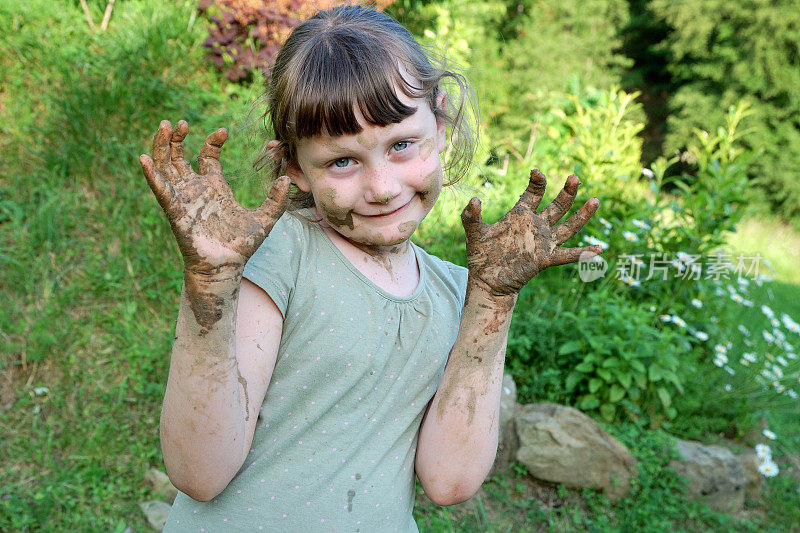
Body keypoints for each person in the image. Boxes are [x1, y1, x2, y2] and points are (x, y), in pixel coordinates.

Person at [138, 4, 602, 531]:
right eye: (343, 160)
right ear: (296, 168)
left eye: (402, 145)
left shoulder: (458, 293)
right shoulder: (283, 256)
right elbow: (200, 471)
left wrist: (493, 305)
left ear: (441, 121)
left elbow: (450, 481)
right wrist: (208, 283)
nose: (381, 187)